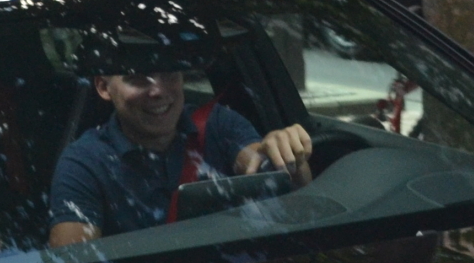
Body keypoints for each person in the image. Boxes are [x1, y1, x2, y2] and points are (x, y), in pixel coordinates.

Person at [47, 65, 312, 246]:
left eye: (170, 74)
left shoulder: (218, 124)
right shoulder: (83, 163)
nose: (158, 91)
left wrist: (285, 153)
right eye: (138, 78)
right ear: (104, 87)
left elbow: (264, 167)